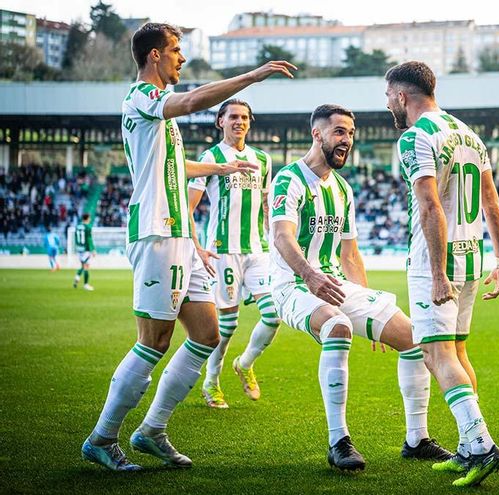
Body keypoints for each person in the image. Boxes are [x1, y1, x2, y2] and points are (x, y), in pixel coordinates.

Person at [81, 22, 295, 472]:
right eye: (176, 50)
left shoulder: (159, 112)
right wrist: (252, 77)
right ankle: (102, 437)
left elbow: (176, 163)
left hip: (182, 236)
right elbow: (196, 100)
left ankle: (152, 429)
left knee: (206, 334)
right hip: (157, 232)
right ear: (154, 56)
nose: (182, 58)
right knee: (154, 341)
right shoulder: (143, 97)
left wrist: (219, 169)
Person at [270, 104, 454, 472]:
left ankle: (416, 439)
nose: (347, 140)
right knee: (338, 326)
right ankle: (339, 441)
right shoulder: (288, 179)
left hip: (334, 284)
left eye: (350, 133)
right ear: (317, 134)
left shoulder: (341, 188)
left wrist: (370, 308)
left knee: (415, 337)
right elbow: (281, 236)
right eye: (339, 132)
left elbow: (350, 255)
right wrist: (309, 276)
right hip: (292, 285)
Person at [385, 61, 499, 487]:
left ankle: (483, 446)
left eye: (388, 97)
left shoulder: (416, 137)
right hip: (473, 257)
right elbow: (492, 202)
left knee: (435, 354)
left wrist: (437, 273)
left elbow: (429, 206)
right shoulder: (469, 135)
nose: (388, 105)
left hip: (437, 262)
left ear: (402, 96)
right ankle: (467, 446)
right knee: (456, 353)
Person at [187, 99, 281, 409]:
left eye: (244, 117)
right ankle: (211, 381)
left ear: (250, 123)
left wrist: (275, 239)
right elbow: (189, 206)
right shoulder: (210, 158)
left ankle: (244, 363)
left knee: (273, 314)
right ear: (221, 122)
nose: (239, 122)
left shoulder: (262, 160)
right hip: (223, 252)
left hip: (258, 250)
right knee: (225, 328)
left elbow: (266, 204)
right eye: (233, 117)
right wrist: (198, 246)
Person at [73, 213, 96, 290]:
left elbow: (76, 238)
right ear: (87, 218)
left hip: (79, 249)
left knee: (83, 266)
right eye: (89, 218)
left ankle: (77, 277)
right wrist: (93, 250)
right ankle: (86, 285)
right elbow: (89, 239)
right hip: (86, 249)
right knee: (86, 266)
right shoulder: (87, 227)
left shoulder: (77, 226)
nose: (90, 219)